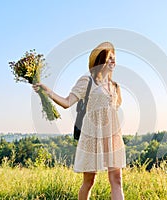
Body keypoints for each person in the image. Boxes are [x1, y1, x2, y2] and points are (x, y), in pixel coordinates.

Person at [33, 42, 126, 200]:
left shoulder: (115, 86)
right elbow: (67, 102)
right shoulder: (87, 81)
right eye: (109, 58)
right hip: (92, 135)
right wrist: (47, 91)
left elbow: (115, 107)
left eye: (114, 58)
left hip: (112, 136)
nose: (113, 62)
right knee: (89, 181)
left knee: (116, 180)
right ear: (100, 61)